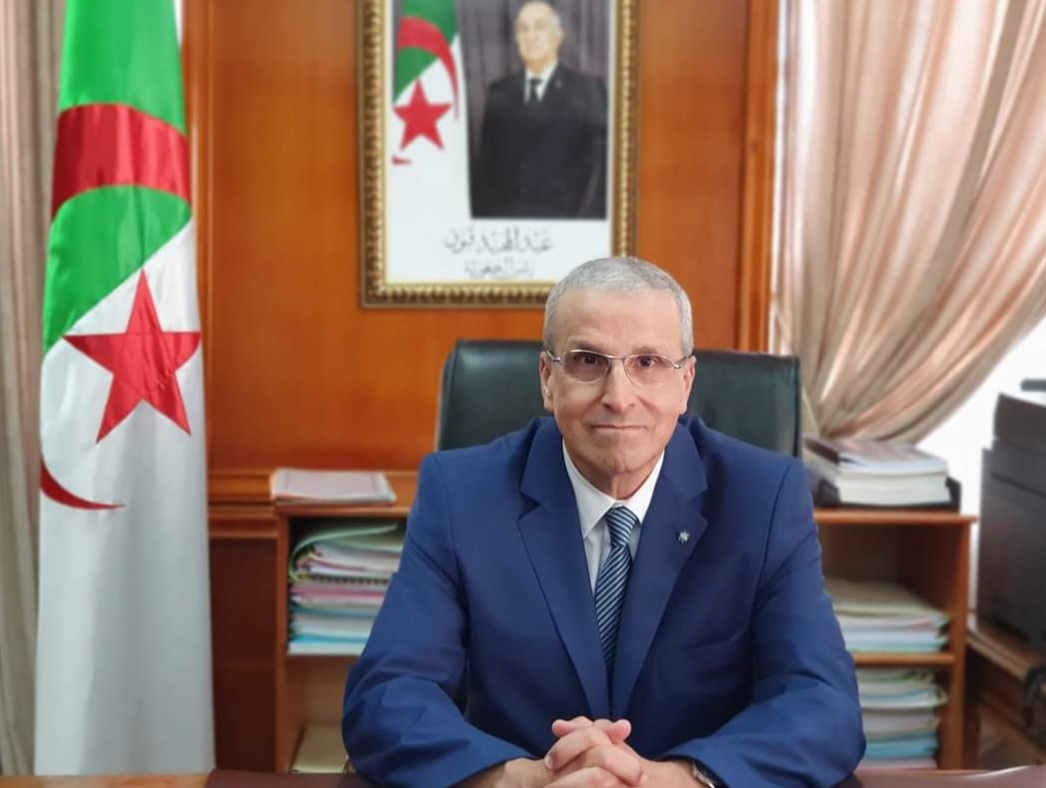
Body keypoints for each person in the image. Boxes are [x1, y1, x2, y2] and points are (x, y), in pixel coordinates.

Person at [343, 257, 865, 787]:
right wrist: (526, 780)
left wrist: (673, 781)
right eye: (588, 361)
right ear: (548, 380)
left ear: (685, 383)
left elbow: (822, 705)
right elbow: (387, 695)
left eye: (648, 362)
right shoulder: (460, 495)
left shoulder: (764, 498)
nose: (618, 397)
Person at [473, 2, 607, 219]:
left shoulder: (588, 91)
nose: (530, 36)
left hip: (569, 224)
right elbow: (485, 173)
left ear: (558, 36)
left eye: (539, 27)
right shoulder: (498, 93)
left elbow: (599, 177)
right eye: (523, 29)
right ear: (516, 39)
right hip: (508, 227)